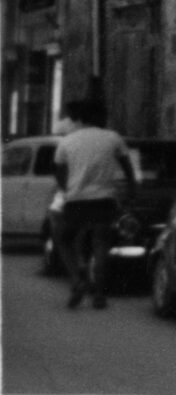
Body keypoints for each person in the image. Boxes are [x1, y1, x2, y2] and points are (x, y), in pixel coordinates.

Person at [53, 99, 136, 310]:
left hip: (76, 200)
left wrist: (67, 190)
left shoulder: (67, 142)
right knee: (101, 245)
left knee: (64, 239)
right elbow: (128, 169)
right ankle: (99, 295)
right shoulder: (113, 138)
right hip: (104, 200)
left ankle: (77, 280)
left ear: (81, 118)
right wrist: (131, 193)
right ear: (101, 118)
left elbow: (59, 173)